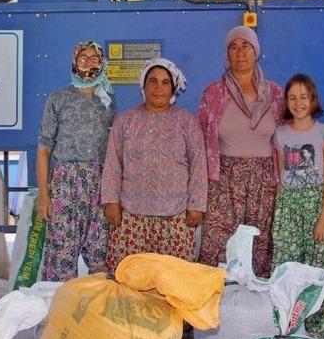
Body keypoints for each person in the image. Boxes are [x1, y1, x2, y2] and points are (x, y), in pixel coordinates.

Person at [101, 58, 207, 272]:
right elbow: (113, 163)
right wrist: (111, 201)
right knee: (130, 277)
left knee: (173, 278)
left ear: (173, 88)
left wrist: (196, 205)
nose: (158, 88)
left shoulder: (186, 122)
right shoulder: (126, 120)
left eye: (165, 82)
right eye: (153, 81)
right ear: (143, 85)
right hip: (131, 218)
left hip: (175, 217)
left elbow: (198, 165)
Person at [197, 25, 284, 278]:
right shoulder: (214, 92)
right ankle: (215, 300)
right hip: (223, 181)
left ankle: (256, 301)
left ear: (256, 51)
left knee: (259, 245)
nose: (240, 52)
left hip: (264, 182)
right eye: (233, 47)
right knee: (219, 245)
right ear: (226, 54)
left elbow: (286, 138)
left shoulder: (275, 94)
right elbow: (200, 138)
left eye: (246, 46)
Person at [36, 40, 116, 281]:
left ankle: (98, 303)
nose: (88, 63)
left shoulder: (107, 99)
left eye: (94, 59)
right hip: (65, 184)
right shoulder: (59, 98)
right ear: (74, 62)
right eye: (83, 58)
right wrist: (44, 195)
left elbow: (113, 146)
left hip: (99, 185)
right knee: (61, 254)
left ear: (102, 63)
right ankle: (58, 303)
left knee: (101, 254)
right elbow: (44, 149)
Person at [271, 73, 324, 339]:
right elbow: (281, 177)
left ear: (312, 100)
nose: (298, 103)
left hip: (316, 206)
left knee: (319, 268)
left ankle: (317, 333)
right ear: (286, 102)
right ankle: (287, 328)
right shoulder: (280, 134)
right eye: (292, 98)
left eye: (303, 97)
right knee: (285, 266)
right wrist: (279, 215)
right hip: (288, 206)